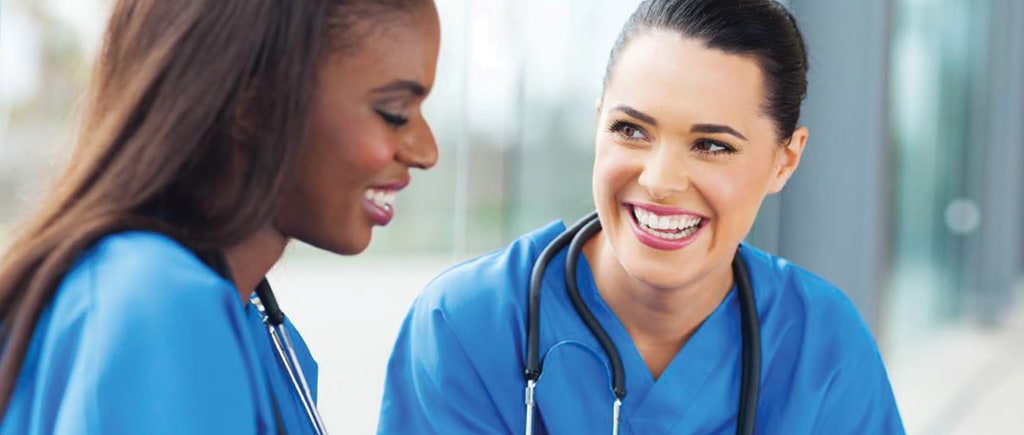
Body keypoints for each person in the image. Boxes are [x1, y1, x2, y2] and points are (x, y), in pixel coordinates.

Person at [377, 0, 905, 433]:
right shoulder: (469, 324)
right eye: (631, 130)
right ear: (597, 123)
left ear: (783, 161)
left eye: (712, 145)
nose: (659, 180)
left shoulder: (823, 345)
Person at [0, 0, 440, 433]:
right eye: (395, 113)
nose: (427, 151)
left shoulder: (254, 329)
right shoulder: (159, 310)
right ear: (251, 105)